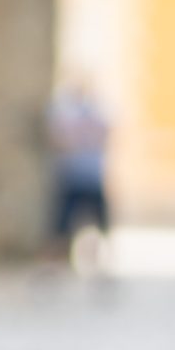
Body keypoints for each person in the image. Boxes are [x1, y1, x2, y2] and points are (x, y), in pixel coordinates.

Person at [47, 77, 112, 271]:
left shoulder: (93, 112)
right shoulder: (67, 112)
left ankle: (97, 261)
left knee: (97, 223)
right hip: (76, 175)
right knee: (64, 224)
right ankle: (59, 260)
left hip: (88, 175)